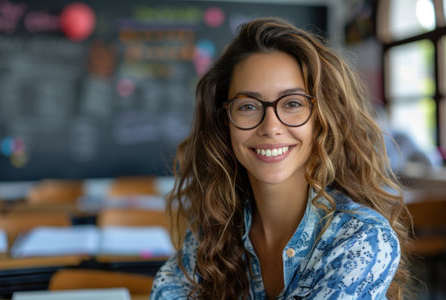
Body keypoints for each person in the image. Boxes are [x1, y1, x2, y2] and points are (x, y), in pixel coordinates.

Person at [150, 17, 411, 299]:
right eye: (248, 106)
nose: (271, 127)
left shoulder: (361, 238)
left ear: (323, 119)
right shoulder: (215, 232)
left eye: (293, 103)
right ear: (224, 121)